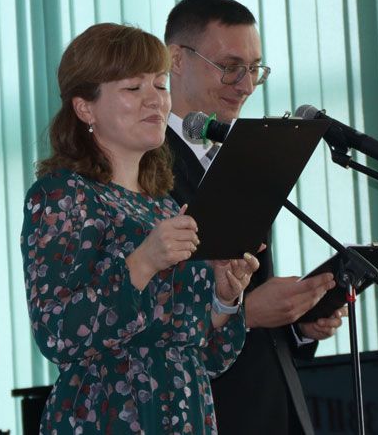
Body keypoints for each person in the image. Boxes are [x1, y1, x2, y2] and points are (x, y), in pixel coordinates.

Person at [20, 23, 259, 435]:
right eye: (133, 88)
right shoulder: (62, 195)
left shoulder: (163, 205)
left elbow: (207, 357)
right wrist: (142, 263)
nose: (156, 100)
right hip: (107, 416)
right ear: (85, 108)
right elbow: (56, 333)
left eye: (160, 85)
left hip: (187, 414)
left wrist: (224, 299)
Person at [164, 0, 346, 435]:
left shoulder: (245, 157)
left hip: (275, 405)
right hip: (202, 412)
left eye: (254, 70)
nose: (245, 86)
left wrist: (298, 323)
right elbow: (150, 317)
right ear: (176, 59)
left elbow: (255, 286)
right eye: (230, 67)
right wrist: (247, 314)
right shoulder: (144, 166)